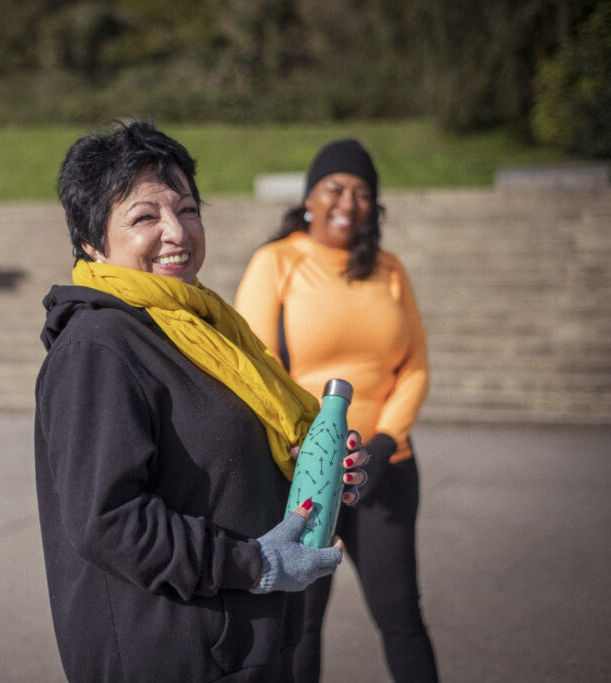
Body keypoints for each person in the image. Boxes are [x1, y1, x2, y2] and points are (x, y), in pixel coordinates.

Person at [34, 120, 369, 682]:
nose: (177, 232)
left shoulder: (201, 328)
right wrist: (254, 563)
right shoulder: (99, 347)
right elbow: (109, 520)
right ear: (92, 242)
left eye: (187, 209)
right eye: (145, 216)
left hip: (245, 642)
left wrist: (315, 474)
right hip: (173, 654)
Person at [234, 138, 439, 682]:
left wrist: (383, 442)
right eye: (335, 188)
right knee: (301, 623)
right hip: (306, 471)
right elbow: (256, 364)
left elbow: (415, 367)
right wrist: (308, 447)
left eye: (363, 193)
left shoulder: (390, 270)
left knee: (402, 618)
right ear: (310, 198)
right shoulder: (277, 261)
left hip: (387, 467)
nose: (348, 202)